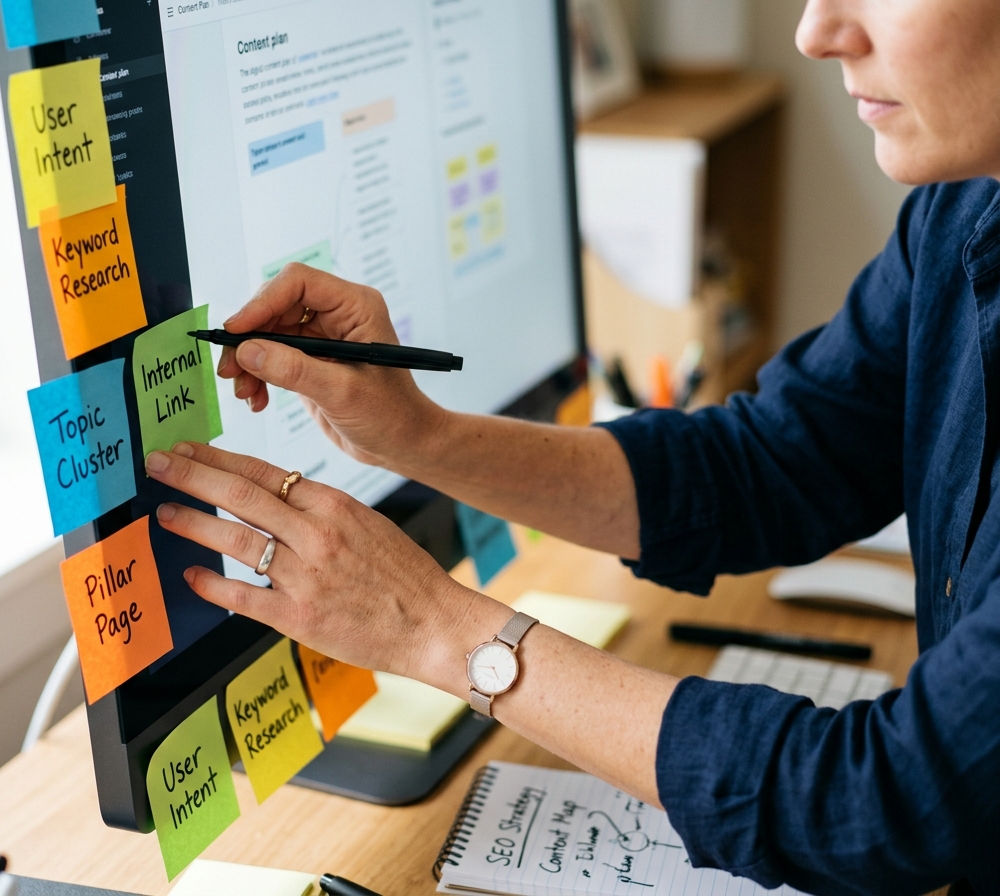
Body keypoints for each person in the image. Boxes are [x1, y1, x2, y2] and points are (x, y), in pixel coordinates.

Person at [144, 0, 1000, 892]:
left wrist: (433, 629)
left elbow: (889, 802)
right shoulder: (967, 204)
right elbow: (773, 464)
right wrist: (421, 436)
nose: (817, 32)